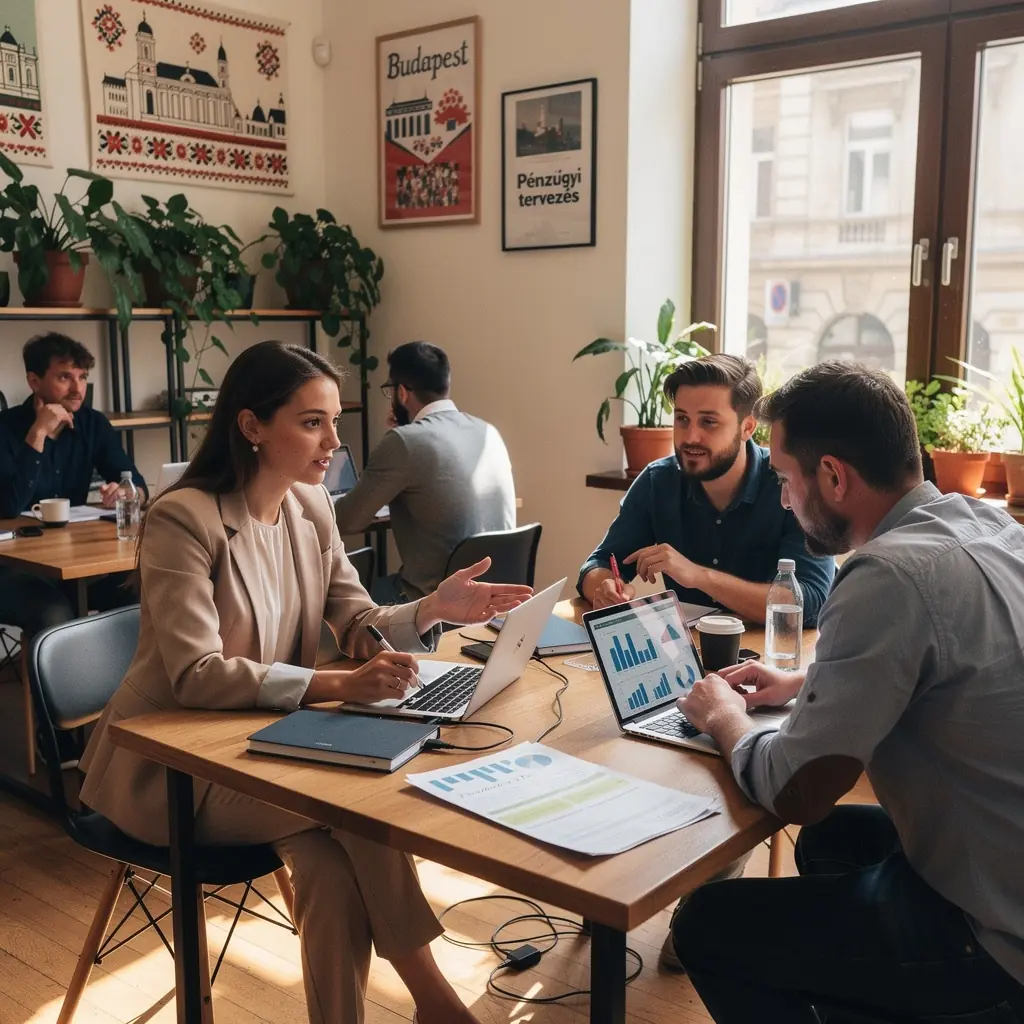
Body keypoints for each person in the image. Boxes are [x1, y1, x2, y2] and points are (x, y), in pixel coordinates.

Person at [80, 341, 532, 1024]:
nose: (334, 443)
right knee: (359, 811)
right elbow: (197, 676)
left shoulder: (310, 505)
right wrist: (336, 687)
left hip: (268, 743)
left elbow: (354, 614)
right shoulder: (184, 519)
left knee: (325, 865)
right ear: (252, 426)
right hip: (172, 765)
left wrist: (433, 608)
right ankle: (437, 1003)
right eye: (312, 422)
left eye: (333, 421)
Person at [673, 362, 1024, 1022]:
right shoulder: (984, 525)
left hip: (997, 936)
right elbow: (961, 663)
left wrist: (724, 717)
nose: (781, 499)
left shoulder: (888, 573)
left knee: (709, 927)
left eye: (784, 480)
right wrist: (806, 680)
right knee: (831, 843)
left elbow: (795, 789)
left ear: (833, 477)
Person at [579, 353, 834, 624]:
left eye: (708, 422)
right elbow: (598, 565)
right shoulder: (658, 482)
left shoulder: (791, 485)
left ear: (747, 427)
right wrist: (605, 588)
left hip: (774, 657)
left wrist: (698, 576)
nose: (690, 437)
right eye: (682, 419)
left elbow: (809, 600)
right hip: (687, 655)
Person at [335, 341, 516, 604]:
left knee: (344, 599)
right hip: (497, 597)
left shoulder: (405, 442)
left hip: (433, 603)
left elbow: (347, 521)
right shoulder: (488, 431)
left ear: (402, 393)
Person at [0, 332, 147, 635]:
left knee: (141, 590)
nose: (78, 388)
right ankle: (65, 683)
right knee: (54, 612)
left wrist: (125, 492)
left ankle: (122, 682)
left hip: (73, 562)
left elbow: (135, 482)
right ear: (34, 381)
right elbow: (8, 505)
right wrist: (37, 435)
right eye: (65, 377)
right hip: (12, 567)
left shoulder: (93, 424)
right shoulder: (5, 428)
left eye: (82, 377)